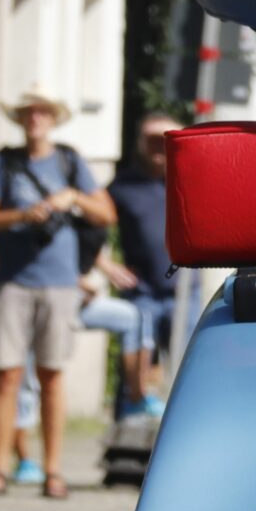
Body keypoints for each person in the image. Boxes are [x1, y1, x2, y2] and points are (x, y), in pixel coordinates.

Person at [0, 88, 113, 500]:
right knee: (7, 375)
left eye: (42, 113)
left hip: (58, 281)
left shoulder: (70, 161)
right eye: (28, 114)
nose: (35, 119)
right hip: (12, 279)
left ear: (53, 119)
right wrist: (22, 214)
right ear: (20, 120)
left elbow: (106, 214)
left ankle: (53, 470)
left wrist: (72, 199)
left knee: (51, 374)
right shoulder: (5, 161)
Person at [88, 113, 177, 418]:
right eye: (150, 140)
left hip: (185, 292)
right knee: (134, 367)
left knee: (188, 367)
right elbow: (87, 224)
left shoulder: (190, 179)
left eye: (164, 140)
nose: (157, 147)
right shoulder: (123, 186)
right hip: (142, 293)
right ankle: (125, 434)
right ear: (139, 143)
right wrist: (103, 263)